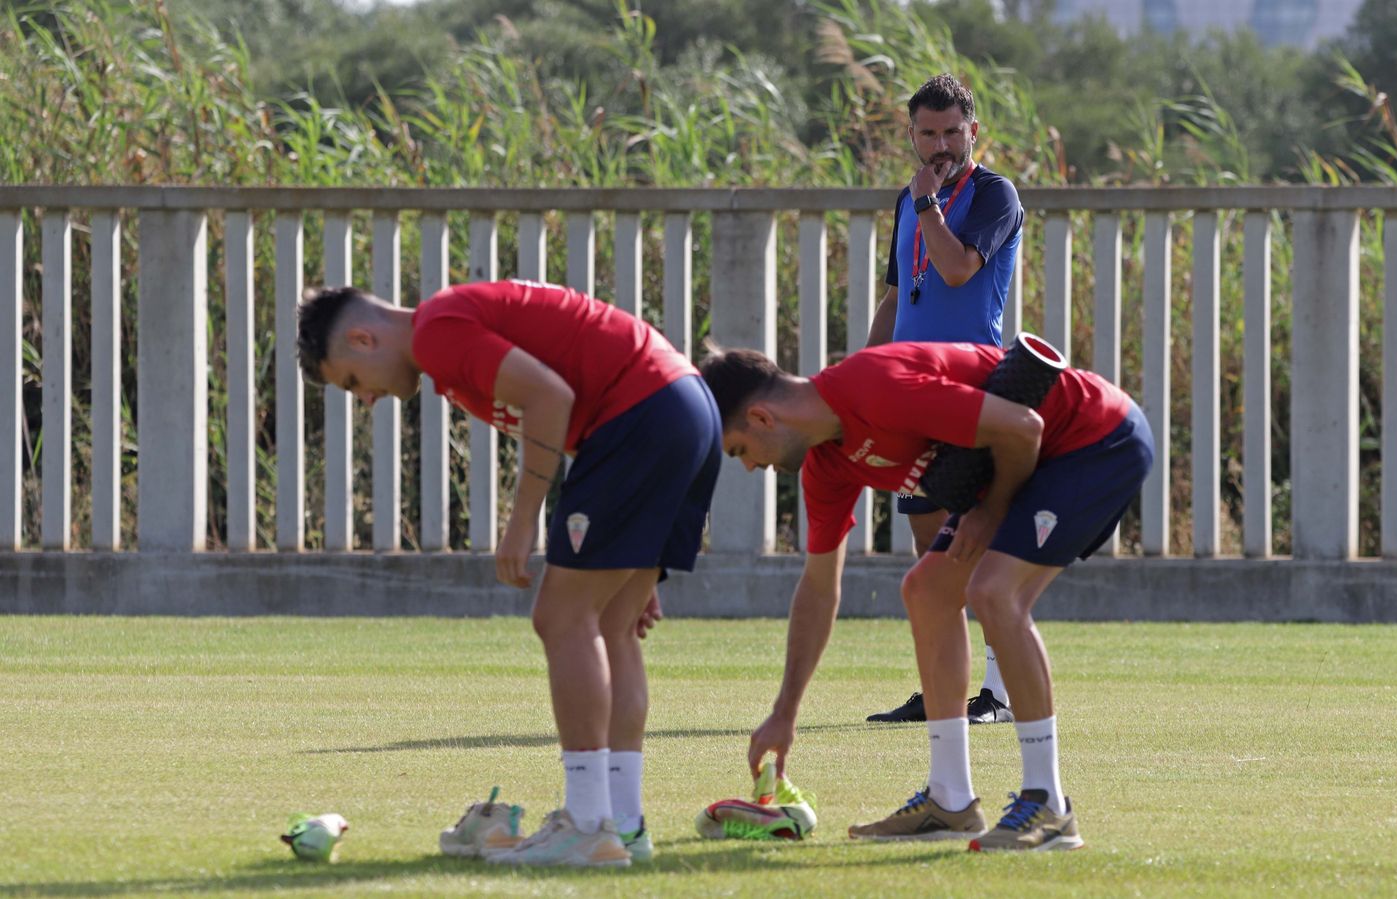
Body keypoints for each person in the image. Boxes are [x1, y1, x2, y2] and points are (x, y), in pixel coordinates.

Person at [297, 279, 720, 868]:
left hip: (645, 414)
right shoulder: (445, 337)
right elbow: (575, 398)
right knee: (611, 624)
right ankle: (623, 826)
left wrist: (523, 521)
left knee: (561, 618)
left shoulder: (437, 330)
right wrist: (623, 547)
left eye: (351, 382)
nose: (365, 398)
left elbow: (549, 397)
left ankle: (587, 824)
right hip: (684, 408)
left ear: (363, 339)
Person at [701, 339, 1152, 851]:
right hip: (1029, 459)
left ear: (760, 418)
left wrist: (990, 511)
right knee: (927, 591)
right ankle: (950, 800)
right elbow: (819, 589)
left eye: (738, 451)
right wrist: (784, 711)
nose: (748, 466)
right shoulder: (827, 464)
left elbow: (1024, 427)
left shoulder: (875, 385)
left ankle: (1049, 805)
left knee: (994, 591)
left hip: (1096, 437)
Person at [864, 72, 1025, 726]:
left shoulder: (993, 194)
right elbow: (895, 296)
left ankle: (999, 692)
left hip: (969, 387)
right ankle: (941, 690)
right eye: (927, 133)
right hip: (911, 391)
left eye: (952, 132)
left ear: (972, 131)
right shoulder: (909, 200)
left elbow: (957, 269)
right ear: (911, 134)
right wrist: (865, 374)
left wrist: (929, 204)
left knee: (975, 545)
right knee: (930, 544)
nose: (940, 146)